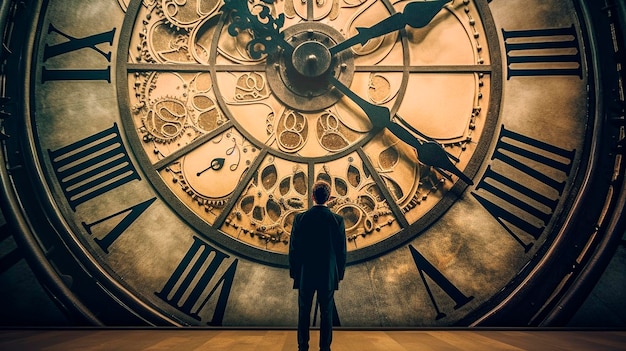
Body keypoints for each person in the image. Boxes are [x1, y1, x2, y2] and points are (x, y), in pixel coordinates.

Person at [289, 180, 347, 351]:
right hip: (327, 274)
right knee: (327, 313)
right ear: (329, 197)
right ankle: (325, 348)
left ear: (312, 196)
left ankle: (302, 347)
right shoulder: (337, 220)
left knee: (303, 312)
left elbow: (294, 249)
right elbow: (341, 251)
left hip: (306, 273)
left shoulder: (300, 219)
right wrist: (339, 274)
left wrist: (295, 272)